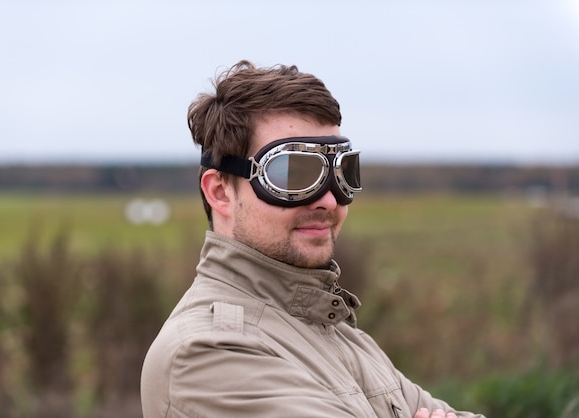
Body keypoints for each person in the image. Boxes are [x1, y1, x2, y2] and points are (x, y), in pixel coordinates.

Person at [141, 60, 485, 418]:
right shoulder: (207, 353)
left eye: (342, 173)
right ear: (220, 192)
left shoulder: (333, 330)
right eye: (294, 174)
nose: (328, 199)